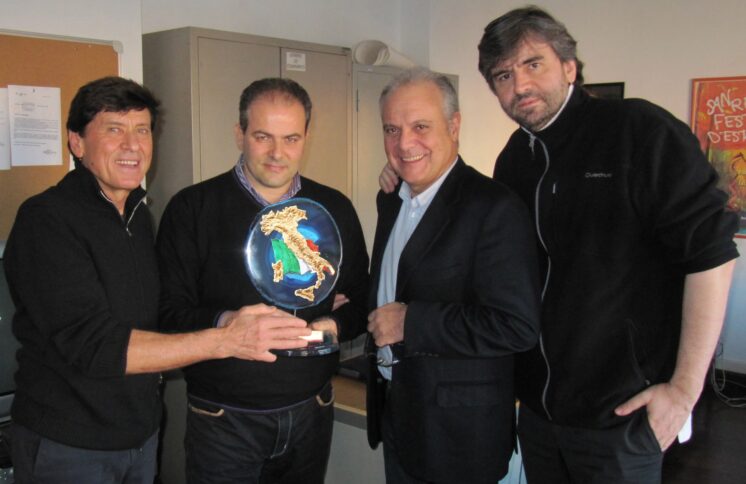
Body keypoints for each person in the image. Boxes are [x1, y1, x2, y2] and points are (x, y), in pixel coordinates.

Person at [381, 6, 739, 483]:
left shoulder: (639, 131)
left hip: (621, 414)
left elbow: (712, 255)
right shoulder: (516, 158)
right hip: (539, 415)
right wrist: (407, 173)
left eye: (534, 64)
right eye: (503, 76)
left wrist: (684, 390)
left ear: (569, 66)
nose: (520, 86)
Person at [3, 76, 311, 484]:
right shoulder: (47, 220)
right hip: (70, 444)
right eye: (114, 130)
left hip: (140, 435)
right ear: (77, 142)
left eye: (143, 130)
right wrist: (227, 339)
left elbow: (160, 313)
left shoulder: (136, 216)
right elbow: (95, 345)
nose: (133, 145)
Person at [156, 77, 369, 484]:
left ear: (306, 138)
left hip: (312, 411)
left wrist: (333, 325)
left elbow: (362, 298)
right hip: (224, 419)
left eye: (291, 138)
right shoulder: (192, 209)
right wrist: (227, 324)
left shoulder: (334, 209)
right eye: (262, 137)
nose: (277, 153)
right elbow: (167, 314)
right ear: (239, 134)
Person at [366, 68, 541, 484]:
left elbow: (516, 326)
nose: (404, 143)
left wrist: (411, 322)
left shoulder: (493, 207)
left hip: (458, 438)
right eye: (392, 129)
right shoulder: (392, 199)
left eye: (420, 126)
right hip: (399, 415)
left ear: (454, 125)